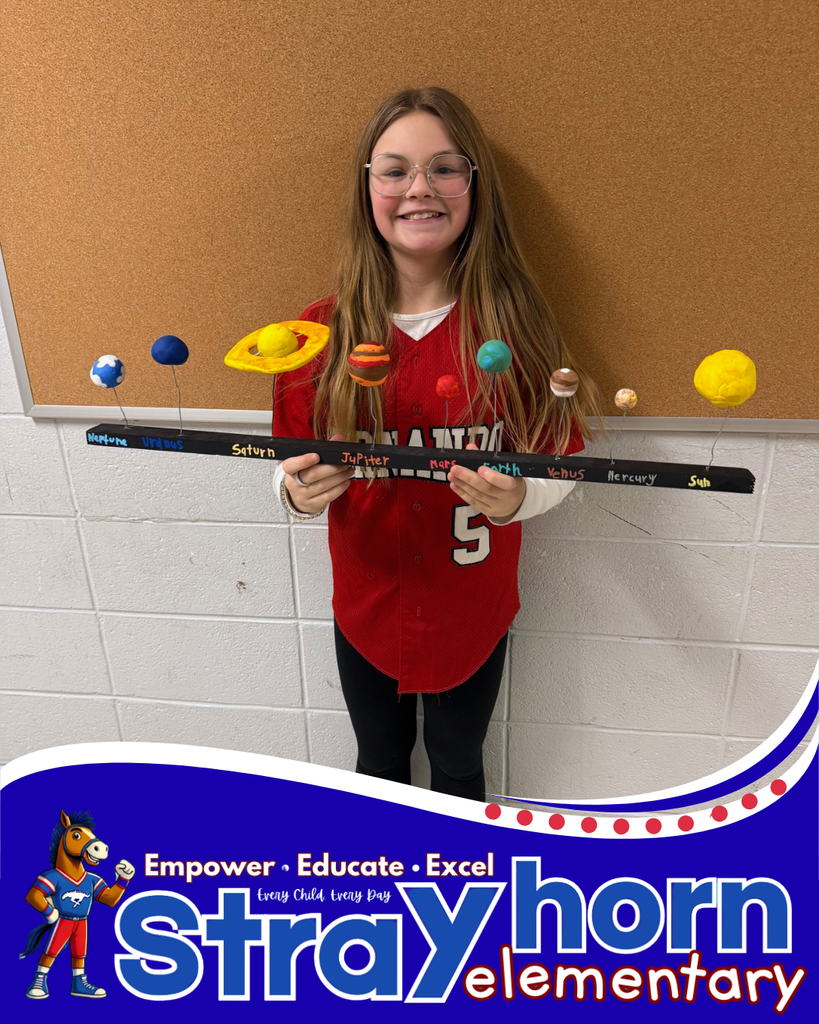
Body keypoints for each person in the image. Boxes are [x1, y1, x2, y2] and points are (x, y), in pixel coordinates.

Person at [271, 87, 601, 801]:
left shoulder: (516, 327)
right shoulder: (317, 334)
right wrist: (296, 493)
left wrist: (521, 497)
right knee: (378, 760)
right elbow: (288, 465)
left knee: (457, 758)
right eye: (394, 170)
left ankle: (458, 865)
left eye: (445, 168)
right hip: (367, 606)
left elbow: (560, 458)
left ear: (475, 186)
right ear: (366, 189)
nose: (419, 188)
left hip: (470, 611)